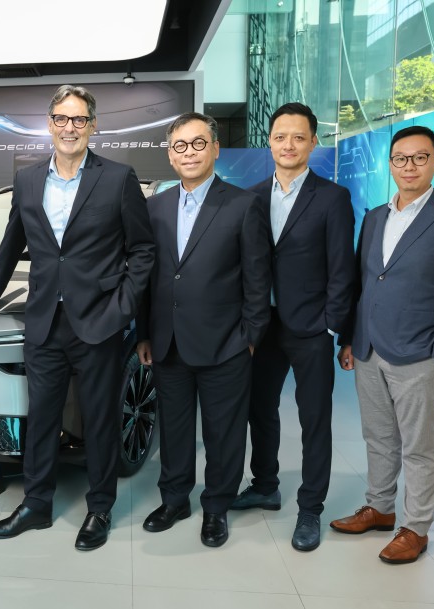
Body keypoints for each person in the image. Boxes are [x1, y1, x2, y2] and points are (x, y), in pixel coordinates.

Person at [0, 84, 154, 551]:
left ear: (93, 125)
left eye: (80, 120)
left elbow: (143, 249)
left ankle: (100, 508)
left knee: (100, 419)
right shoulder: (28, 180)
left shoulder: (118, 178)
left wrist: (123, 307)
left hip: (99, 321)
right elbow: (13, 238)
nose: (70, 128)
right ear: (50, 125)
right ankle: (36, 505)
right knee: (42, 417)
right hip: (44, 319)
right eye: (62, 119)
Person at [330, 125, 434, 564]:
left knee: (418, 447)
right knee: (378, 437)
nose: (409, 166)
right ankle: (379, 507)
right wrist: (349, 339)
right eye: (401, 158)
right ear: (391, 164)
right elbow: (364, 283)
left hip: (419, 355)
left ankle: (415, 528)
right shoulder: (376, 216)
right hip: (368, 349)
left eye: (420, 157)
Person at [137, 112, 271, 548]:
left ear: (215, 149)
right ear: (169, 154)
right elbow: (148, 277)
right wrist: (143, 333)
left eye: (198, 144)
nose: (189, 153)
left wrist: (249, 337)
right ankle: (175, 499)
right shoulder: (153, 208)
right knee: (173, 430)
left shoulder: (243, 204)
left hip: (226, 343)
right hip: (167, 342)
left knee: (223, 432)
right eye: (180, 145)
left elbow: (257, 278)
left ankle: (216, 507)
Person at [231, 103, 355, 552]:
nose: (288, 144)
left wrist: (331, 328)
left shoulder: (332, 198)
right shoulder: (250, 196)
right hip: (262, 326)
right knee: (259, 409)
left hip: (310, 328)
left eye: (298, 137)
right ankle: (265, 484)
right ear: (269, 140)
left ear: (312, 143)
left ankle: (311, 509)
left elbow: (343, 270)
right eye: (281, 136)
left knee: (314, 419)